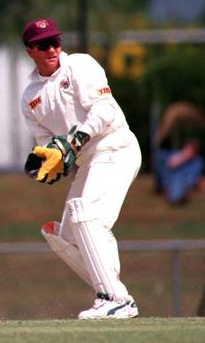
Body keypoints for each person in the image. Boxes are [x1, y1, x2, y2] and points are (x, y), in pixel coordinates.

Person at [20, 18, 141, 319]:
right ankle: (116, 295)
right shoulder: (29, 98)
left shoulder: (80, 66)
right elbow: (47, 142)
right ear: (29, 51)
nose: (52, 49)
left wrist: (73, 142)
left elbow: (105, 110)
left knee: (86, 213)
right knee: (70, 237)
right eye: (43, 45)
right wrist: (54, 159)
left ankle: (113, 297)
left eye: (55, 42)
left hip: (115, 147)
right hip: (88, 162)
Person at [153, 101, 204, 205]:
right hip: (170, 179)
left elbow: (193, 179)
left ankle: (176, 196)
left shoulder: (196, 162)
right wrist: (184, 156)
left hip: (179, 180)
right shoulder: (176, 155)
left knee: (178, 180)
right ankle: (175, 196)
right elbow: (171, 164)